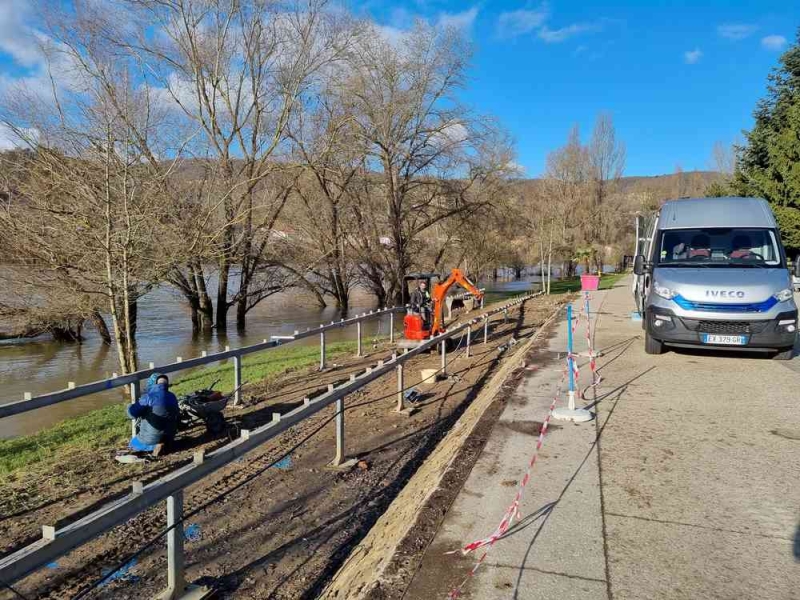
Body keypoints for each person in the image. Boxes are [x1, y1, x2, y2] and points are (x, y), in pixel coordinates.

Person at [127, 372, 179, 455]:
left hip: (150, 439)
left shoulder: (148, 397)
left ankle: (153, 446)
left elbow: (132, 413)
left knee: (132, 444)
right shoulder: (172, 396)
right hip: (169, 437)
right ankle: (164, 444)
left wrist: (129, 406)